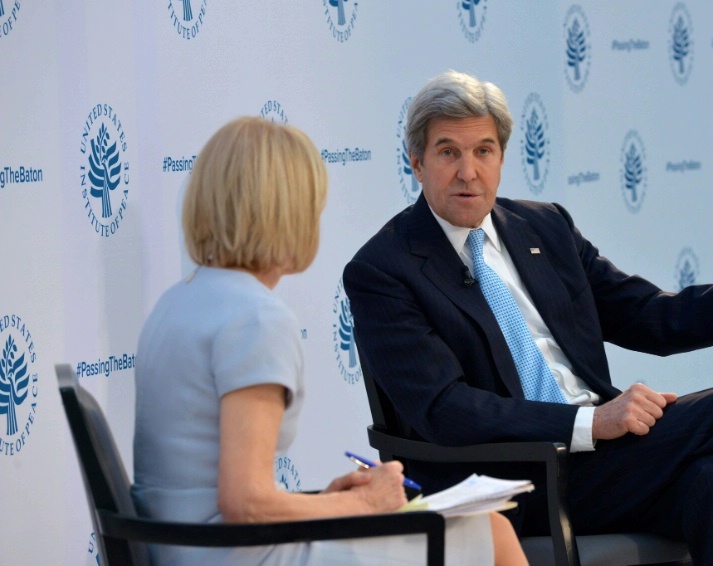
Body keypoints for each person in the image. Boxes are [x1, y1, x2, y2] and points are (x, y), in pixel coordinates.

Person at [343, 70, 713, 564]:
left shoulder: (544, 227)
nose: (468, 171)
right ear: (416, 162)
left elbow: (654, 317)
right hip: (512, 480)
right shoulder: (384, 269)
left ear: (501, 157)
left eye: (483, 151)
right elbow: (446, 409)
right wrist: (589, 421)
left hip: (601, 462)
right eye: (448, 152)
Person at [131, 116, 528, 565]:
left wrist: (328, 503)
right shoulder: (255, 317)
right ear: (289, 210)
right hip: (242, 556)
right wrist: (359, 504)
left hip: (193, 552)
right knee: (492, 532)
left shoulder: (178, 301)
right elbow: (245, 504)